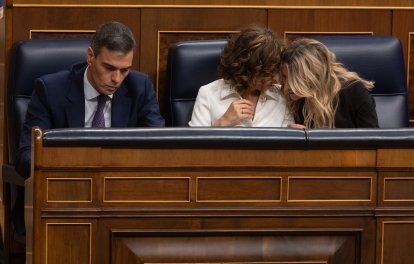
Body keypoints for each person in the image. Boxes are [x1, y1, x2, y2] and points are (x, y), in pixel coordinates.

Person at [13, 21, 164, 237]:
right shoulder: (50, 89)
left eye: (125, 70)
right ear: (90, 56)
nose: (116, 79)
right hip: (65, 197)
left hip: (121, 198)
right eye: (109, 68)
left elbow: (158, 146)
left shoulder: (140, 87)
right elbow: (26, 156)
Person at [189, 26, 293, 127]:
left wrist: (296, 136)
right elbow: (193, 143)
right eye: (268, 73)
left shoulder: (282, 96)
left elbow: (287, 141)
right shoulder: (208, 94)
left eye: (277, 71)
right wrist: (222, 122)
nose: (276, 79)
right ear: (250, 69)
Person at [280, 38, 379, 129]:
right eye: (285, 77)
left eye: (295, 79)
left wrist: (313, 138)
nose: (287, 86)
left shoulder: (354, 92)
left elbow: (373, 142)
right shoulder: (295, 100)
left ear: (315, 75)